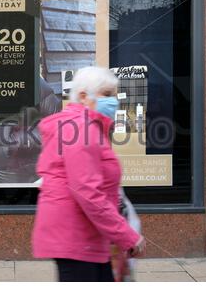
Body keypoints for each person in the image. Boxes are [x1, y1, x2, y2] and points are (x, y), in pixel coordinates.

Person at [32, 66, 146, 282]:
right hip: (76, 237)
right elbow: (87, 192)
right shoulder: (81, 129)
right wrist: (126, 235)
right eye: (107, 95)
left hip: (86, 236)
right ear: (83, 96)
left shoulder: (88, 127)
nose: (114, 101)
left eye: (114, 95)